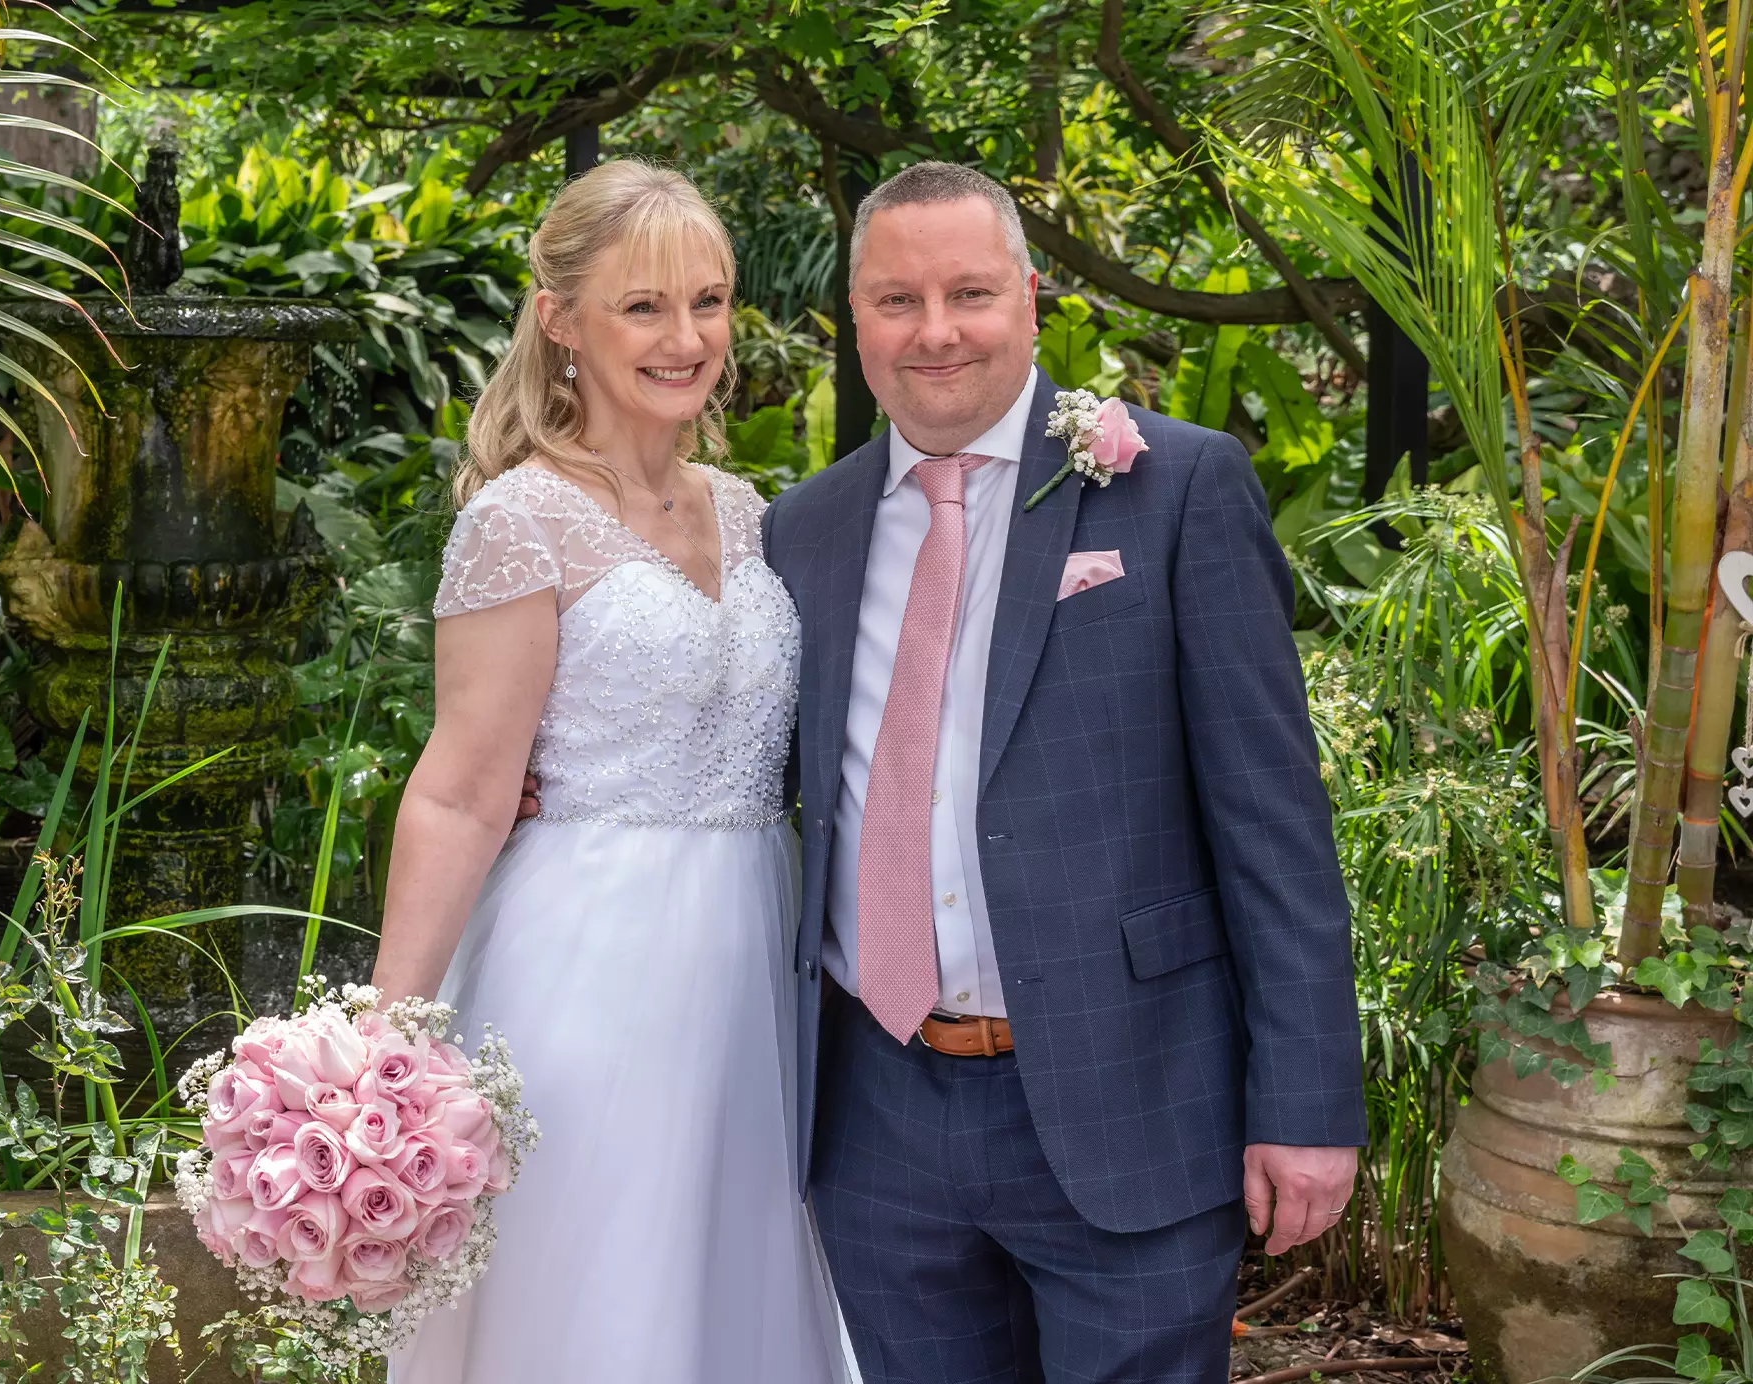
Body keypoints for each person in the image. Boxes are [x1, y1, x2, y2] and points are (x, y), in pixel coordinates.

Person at [766, 160, 1366, 1383]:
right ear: (855, 317)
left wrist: (1305, 1104)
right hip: (876, 1120)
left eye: (969, 293)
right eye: (896, 300)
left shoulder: (1175, 485)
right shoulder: (803, 529)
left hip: (1127, 1091)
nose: (935, 331)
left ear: (1030, 297)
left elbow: (1273, 821)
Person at [370, 159, 849, 1384]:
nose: (686, 338)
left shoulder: (753, 513)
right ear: (560, 320)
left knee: (736, 1287)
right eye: (643, 306)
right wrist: (384, 1041)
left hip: (757, 967)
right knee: (597, 1293)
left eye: (708, 300)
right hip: (587, 966)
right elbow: (459, 790)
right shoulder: (517, 521)